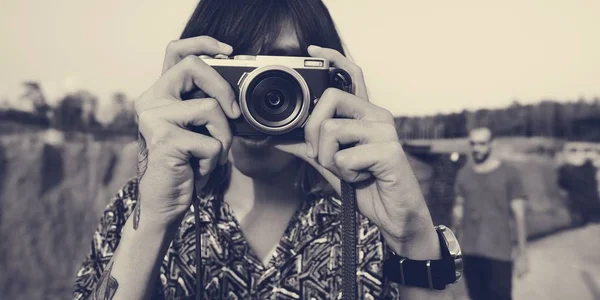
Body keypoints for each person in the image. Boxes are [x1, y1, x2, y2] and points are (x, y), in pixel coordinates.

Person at [73, 1, 460, 299]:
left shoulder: (368, 222)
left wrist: (411, 240)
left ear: (331, 81)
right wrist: (154, 220)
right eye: (234, 71)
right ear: (190, 77)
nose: (258, 96)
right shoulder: (136, 210)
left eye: (285, 73)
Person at [452, 127, 528, 300]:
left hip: (499, 254)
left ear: (492, 144)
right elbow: (458, 213)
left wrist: (522, 254)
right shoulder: (463, 175)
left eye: (482, 143)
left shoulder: (510, 174)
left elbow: (519, 216)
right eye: (472, 143)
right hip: (471, 253)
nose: (476, 148)